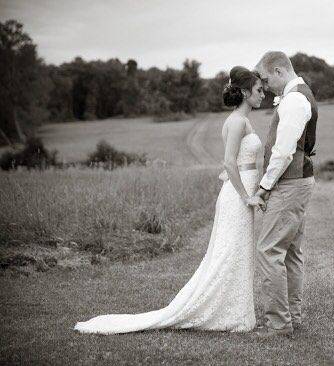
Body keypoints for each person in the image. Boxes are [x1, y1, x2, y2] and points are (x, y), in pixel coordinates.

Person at [73, 66, 265, 334]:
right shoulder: (236, 122)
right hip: (238, 196)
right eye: (258, 90)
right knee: (228, 254)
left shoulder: (243, 120)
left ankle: (237, 311)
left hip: (243, 192)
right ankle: (224, 312)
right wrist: (247, 197)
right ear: (245, 92)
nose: (263, 94)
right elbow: (229, 163)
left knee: (237, 253)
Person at [253, 51, 318, 337]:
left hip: (290, 183)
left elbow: (283, 151)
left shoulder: (294, 100)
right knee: (291, 252)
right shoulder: (300, 95)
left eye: (266, 79)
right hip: (299, 181)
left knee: (269, 250)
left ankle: (279, 324)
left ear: (279, 71)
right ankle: (293, 316)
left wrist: (265, 186)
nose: (265, 87)